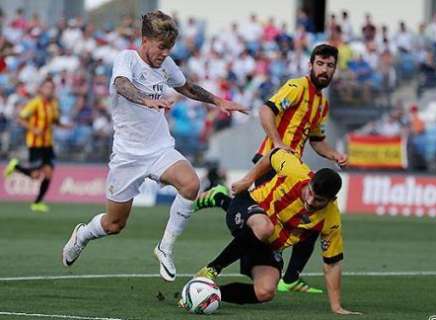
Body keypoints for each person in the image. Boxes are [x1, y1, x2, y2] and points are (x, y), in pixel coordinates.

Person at [61, 11, 247, 282]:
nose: (164, 53)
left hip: (159, 149)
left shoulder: (166, 64)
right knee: (114, 224)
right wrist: (145, 100)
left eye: (169, 48)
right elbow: (121, 84)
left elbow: (188, 87)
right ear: (145, 40)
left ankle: (165, 247)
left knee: (191, 184)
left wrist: (219, 101)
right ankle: (83, 234)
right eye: (161, 47)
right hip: (127, 155)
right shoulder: (127, 59)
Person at [190, 149, 360, 315]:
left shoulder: (331, 220)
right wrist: (248, 180)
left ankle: (203, 293)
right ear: (310, 182)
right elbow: (273, 154)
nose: (310, 201)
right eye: (310, 193)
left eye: (318, 200)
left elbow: (332, 264)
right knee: (264, 227)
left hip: (268, 244)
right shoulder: (295, 170)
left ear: (332, 200)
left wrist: (336, 307)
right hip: (248, 205)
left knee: (265, 291)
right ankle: (212, 269)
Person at [252, 43, 347, 293]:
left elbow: (316, 140)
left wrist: (334, 154)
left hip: (292, 170)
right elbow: (265, 110)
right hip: (272, 163)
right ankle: (261, 276)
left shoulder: (321, 103)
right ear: (310, 65)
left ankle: (290, 277)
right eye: (320, 64)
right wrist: (279, 144)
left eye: (330, 66)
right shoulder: (297, 87)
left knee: (311, 224)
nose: (325, 70)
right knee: (264, 225)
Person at [4, 78, 72, 213]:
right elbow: (21, 118)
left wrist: (65, 126)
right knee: (35, 175)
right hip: (35, 143)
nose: (50, 90)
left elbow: (54, 121)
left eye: (52, 88)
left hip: (48, 144)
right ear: (41, 89)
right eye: (47, 87)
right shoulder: (35, 103)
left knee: (49, 174)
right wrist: (33, 129)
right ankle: (15, 165)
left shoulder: (53, 104)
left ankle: (37, 202)